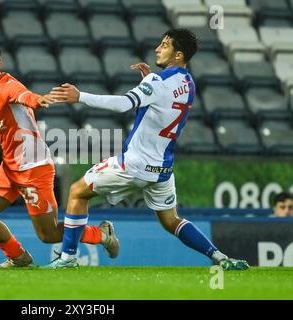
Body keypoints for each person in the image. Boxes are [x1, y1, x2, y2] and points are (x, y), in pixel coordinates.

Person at [46, 29, 249, 271]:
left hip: (134, 165)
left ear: (178, 55)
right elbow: (163, 100)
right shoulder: (188, 83)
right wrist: (149, 82)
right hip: (162, 168)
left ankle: (68, 259)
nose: (157, 48)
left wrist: (81, 96)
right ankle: (221, 258)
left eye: (165, 45)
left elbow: (124, 104)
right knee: (171, 220)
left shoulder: (157, 82)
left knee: (77, 192)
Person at [0, 41, 118, 268]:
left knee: (49, 234)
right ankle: (19, 258)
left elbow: (26, 96)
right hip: (9, 168)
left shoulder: (7, 85)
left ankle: (102, 234)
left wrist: (39, 100)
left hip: (35, 168)